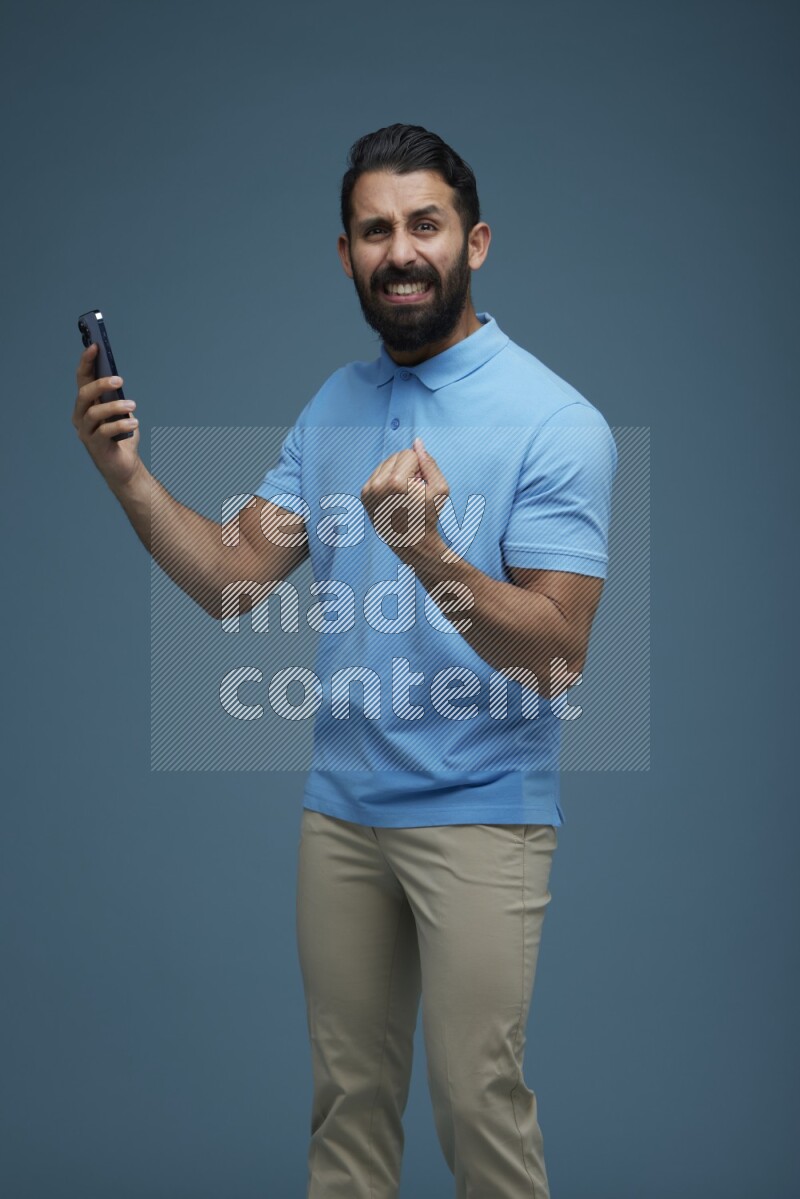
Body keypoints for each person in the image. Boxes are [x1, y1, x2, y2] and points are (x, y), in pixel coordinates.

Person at [73, 123, 618, 1199]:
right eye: (375, 230)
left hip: (479, 812)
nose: (400, 250)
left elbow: (557, 659)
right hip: (342, 817)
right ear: (345, 255)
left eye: (425, 224)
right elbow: (234, 581)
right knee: (348, 1113)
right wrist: (128, 476)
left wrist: (426, 550)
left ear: (475, 242)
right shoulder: (334, 404)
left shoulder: (555, 421)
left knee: (477, 1110)